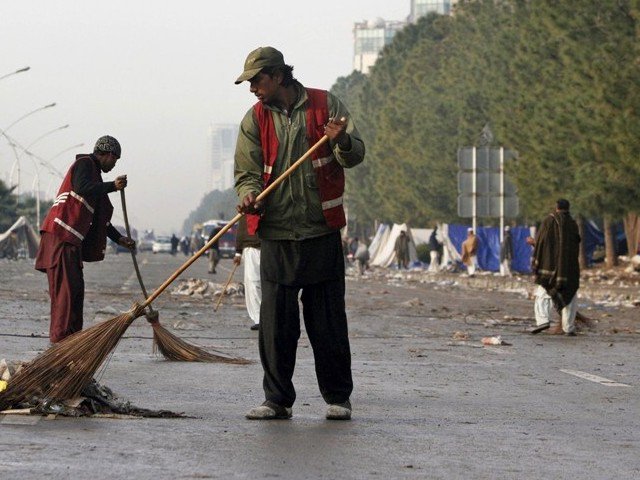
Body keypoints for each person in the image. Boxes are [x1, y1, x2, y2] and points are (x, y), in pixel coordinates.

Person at [234, 46, 365, 421]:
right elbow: (246, 172)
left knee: (328, 324)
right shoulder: (254, 119)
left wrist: (340, 139)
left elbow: (354, 155)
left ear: (277, 76)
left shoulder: (326, 105)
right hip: (276, 234)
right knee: (276, 327)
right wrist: (247, 195)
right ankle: (276, 400)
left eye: (256, 81)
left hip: (320, 232)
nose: (252, 89)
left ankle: (338, 397)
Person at [35, 136, 135, 343]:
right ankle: (59, 349)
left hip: (71, 243)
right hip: (60, 237)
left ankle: (71, 346)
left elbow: (101, 219)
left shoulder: (96, 178)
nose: (114, 165)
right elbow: (81, 187)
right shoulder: (84, 164)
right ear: (107, 155)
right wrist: (112, 186)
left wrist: (120, 239)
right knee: (65, 298)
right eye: (115, 160)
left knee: (75, 294)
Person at [529, 199, 581, 336]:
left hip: (549, 268)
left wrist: (533, 243)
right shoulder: (573, 224)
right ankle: (569, 328)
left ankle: (542, 321)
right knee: (569, 296)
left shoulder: (548, 221)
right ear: (568, 208)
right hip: (569, 270)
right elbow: (576, 244)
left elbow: (541, 242)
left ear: (556, 207)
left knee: (543, 294)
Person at [233, 215, 261, 331]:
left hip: (269, 247)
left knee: (257, 284)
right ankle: (260, 318)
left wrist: (238, 252)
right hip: (253, 249)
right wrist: (238, 252)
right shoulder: (246, 210)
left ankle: (263, 318)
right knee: (254, 284)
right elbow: (242, 232)